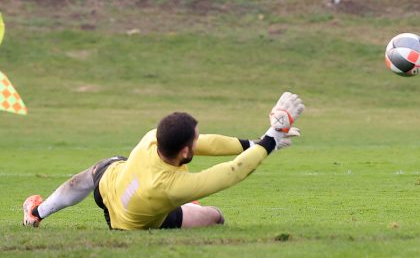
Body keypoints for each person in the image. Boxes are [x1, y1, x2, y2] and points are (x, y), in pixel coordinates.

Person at [22, 96, 304, 231]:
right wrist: (272, 137)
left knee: (87, 176)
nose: (199, 141)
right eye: (194, 140)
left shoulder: (152, 138)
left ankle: (36, 212)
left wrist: (256, 144)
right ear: (184, 151)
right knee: (214, 216)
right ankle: (190, 208)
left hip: (110, 185)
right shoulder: (172, 186)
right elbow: (234, 171)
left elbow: (207, 143)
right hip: (129, 226)